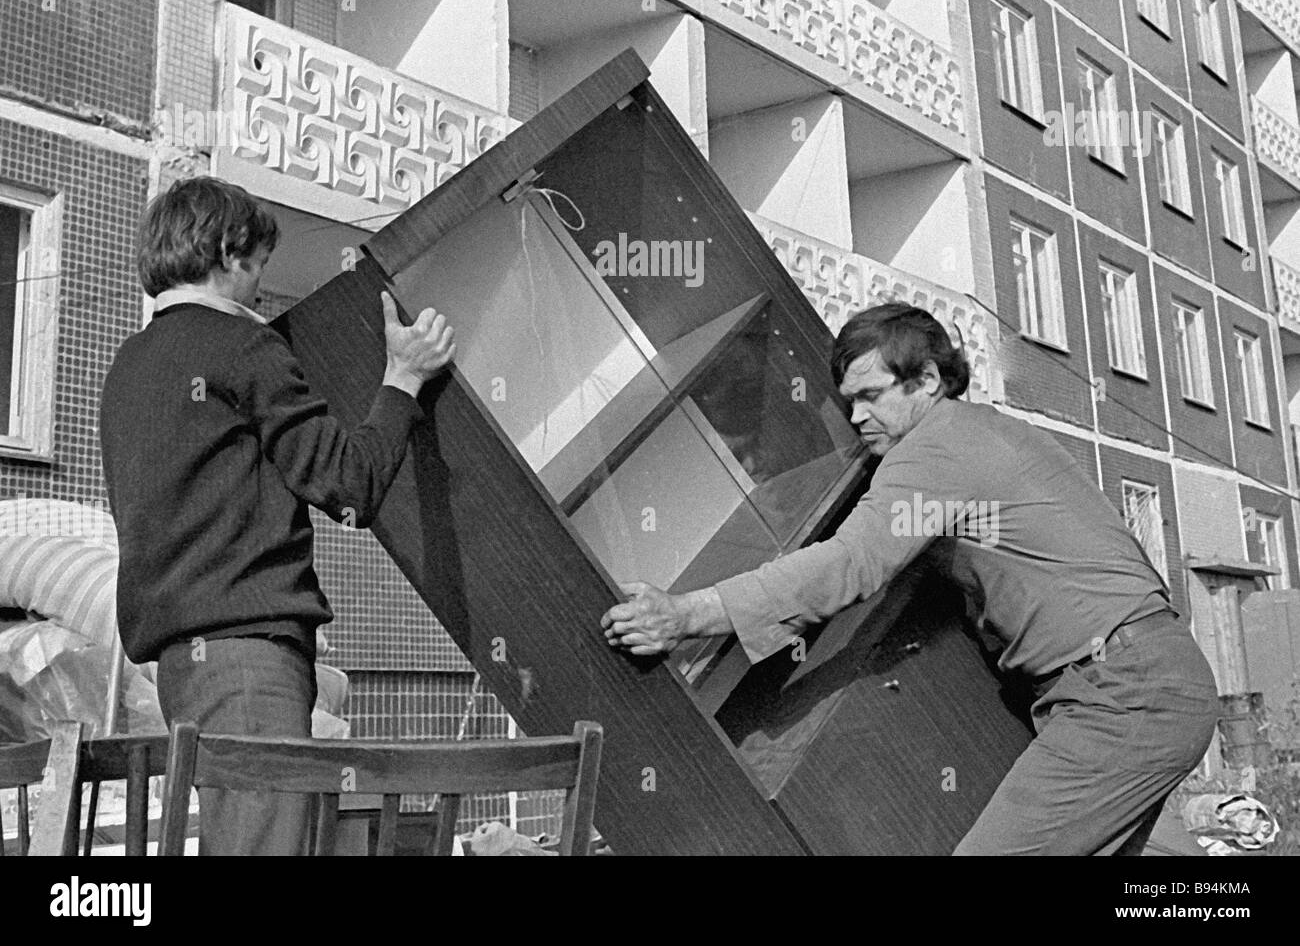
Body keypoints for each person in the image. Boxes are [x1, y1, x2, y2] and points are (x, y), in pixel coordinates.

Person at [602, 303, 1220, 855]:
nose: (857, 416)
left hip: (1122, 691)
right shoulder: (982, 433)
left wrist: (688, 615)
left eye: (871, 395)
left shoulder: (937, 446)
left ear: (926, 380)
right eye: (849, 402)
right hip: (1138, 682)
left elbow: (851, 562)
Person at [100, 177, 455, 855]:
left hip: (182, 665)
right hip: (246, 661)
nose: (261, 287)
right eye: (259, 264)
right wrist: (403, 379)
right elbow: (347, 483)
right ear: (230, 252)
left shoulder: (129, 365)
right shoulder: (243, 346)